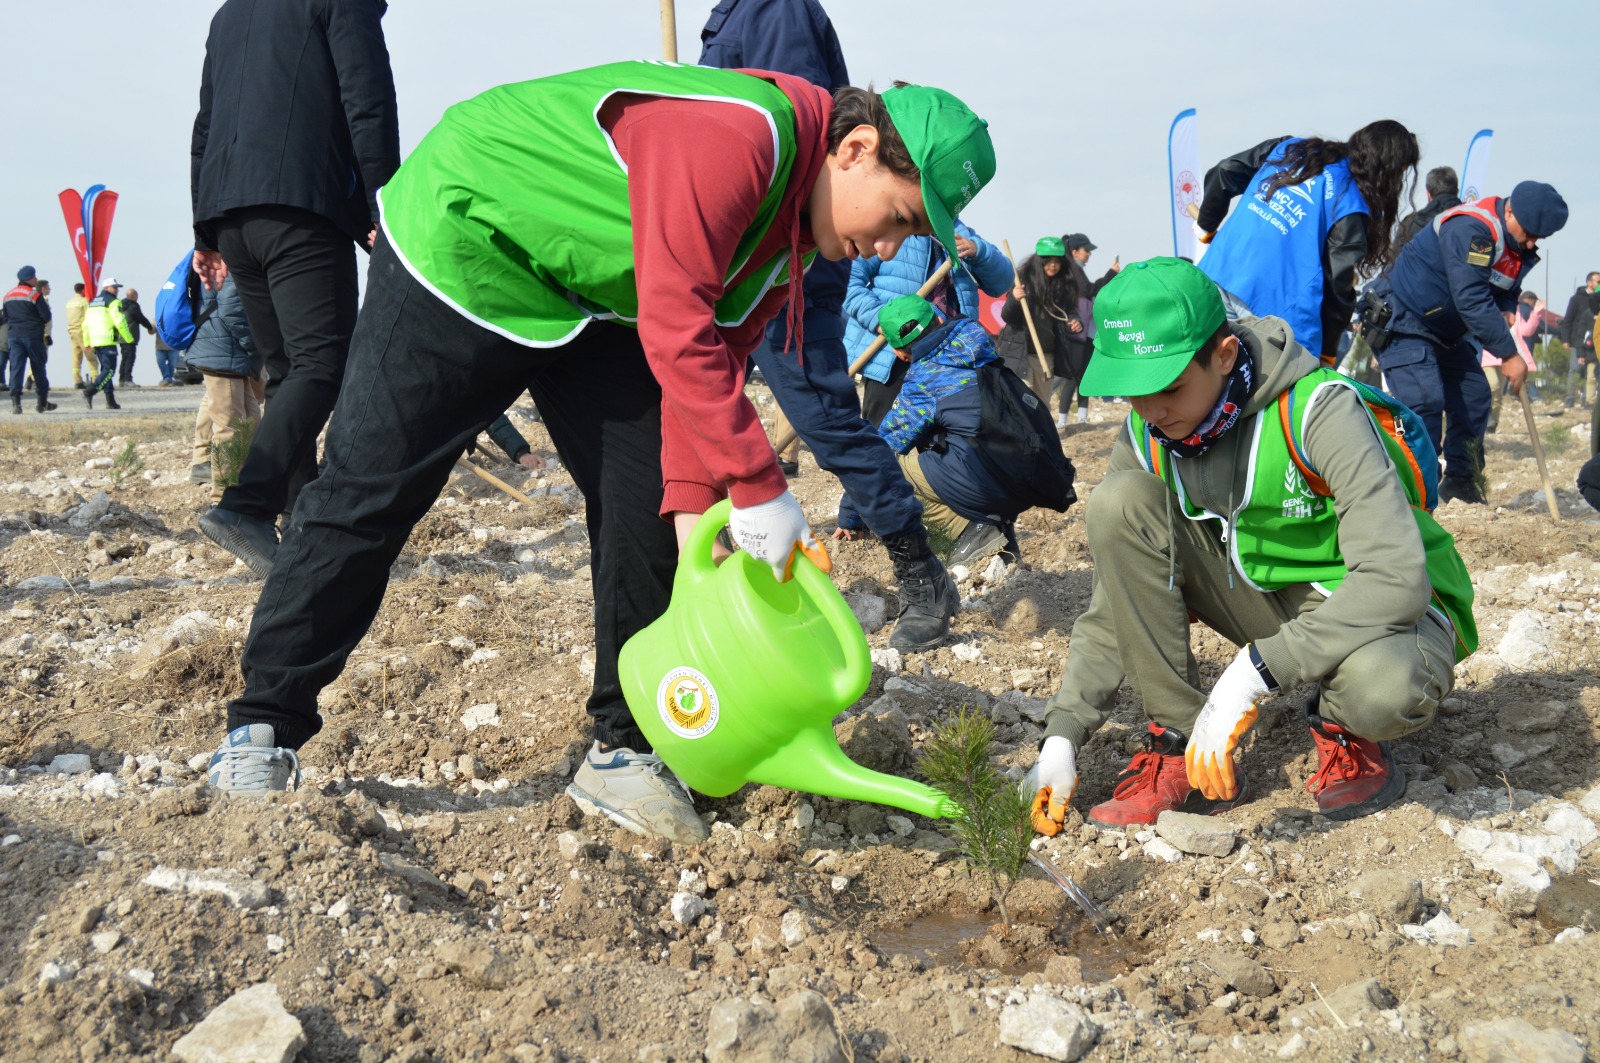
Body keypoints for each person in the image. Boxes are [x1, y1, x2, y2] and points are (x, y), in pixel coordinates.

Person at [198, 63, 997, 848]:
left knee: (646, 492)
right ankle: (262, 729)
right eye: (898, 218)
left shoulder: (786, 251)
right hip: (471, 234)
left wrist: (700, 539)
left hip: (592, 295)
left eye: (912, 236)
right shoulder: (741, 135)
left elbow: (707, 372)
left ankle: (626, 747)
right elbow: (678, 322)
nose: (885, 248)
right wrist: (758, 486)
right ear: (855, 149)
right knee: (370, 491)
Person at [1024, 257, 1474, 834]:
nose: (1152, 410)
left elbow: (1396, 579)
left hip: (1372, 608)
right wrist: (1063, 734)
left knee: (1383, 691)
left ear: (1225, 355)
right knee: (1117, 503)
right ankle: (1180, 738)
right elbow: (1117, 602)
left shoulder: (1316, 409)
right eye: (1133, 393)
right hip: (1256, 594)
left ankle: (1342, 727)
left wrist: (1255, 672)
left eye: (1169, 387)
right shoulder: (1151, 429)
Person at [700, 0, 964, 653]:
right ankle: (730, 555)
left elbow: (784, 137)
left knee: (825, 421)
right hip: (740, 252)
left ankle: (921, 571)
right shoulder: (746, 11)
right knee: (704, 402)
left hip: (792, 251)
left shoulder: (774, 10)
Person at [190, 0, 401, 571]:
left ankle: (296, 520)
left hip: (232, 214)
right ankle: (247, 505)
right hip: (299, 207)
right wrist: (387, 208)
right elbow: (368, 104)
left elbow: (206, 124)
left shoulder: (229, 14)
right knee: (323, 364)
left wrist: (205, 230)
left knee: (288, 371)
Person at [1365, 180, 1568, 503]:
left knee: (1474, 396)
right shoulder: (1471, 228)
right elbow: (1471, 297)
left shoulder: (1514, 244)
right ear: (1510, 210)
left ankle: (1462, 483)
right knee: (1424, 399)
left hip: (1446, 330)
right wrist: (1508, 354)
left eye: (1538, 239)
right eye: (1528, 233)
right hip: (1404, 320)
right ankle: (1414, 491)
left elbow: (1505, 286)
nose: (1531, 244)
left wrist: (1506, 308)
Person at [1196, 121, 1419, 365]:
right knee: (1273, 399)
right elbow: (1338, 284)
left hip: (1214, 277)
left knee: (1214, 378)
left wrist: (1206, 225)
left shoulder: (1289, 149)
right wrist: (1328, 352)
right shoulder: (1349, 204)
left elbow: (1224, 172)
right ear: (1387, 171)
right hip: (1272, 311)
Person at [876, 294, 1075, 565]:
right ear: (939, 318)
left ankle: (970, 532)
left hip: (990, 484)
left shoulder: (923, 381)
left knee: (889, 471)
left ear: (898, 352)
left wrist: (851, 514)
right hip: (1026, 478)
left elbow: (881, 449)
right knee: (955, 442)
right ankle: (1000, 536)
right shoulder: (981, 347)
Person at [187, 276, 265, 496]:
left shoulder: (225, 259)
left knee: (249, 418)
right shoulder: (229, 262)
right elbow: (233, 310)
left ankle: (240, 482)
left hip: (229, 352)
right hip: (225, 352)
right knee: (230, 426)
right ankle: (223, 496)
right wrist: (255, 346)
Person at [998, 237, 1079, 414]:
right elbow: (1007, 316)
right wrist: (1015, 299)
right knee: (1021, 402)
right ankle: (1021, 440)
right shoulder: (1022, 281)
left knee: (1042, 405)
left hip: (1045, 357)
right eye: (1048, 261)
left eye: (1057, 261)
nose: (1053, 265)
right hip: (1020, 355)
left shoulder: (1062, 286)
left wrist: (1074, 321)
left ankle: (1044, 439)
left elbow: (1069, 311)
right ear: (1038, 261)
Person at [1482, 291, 1542, 433]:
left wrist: (1536, 314)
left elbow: (1525, 331)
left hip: (1505, 356)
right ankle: (1484, 419)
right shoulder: (1483, 307)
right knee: (1493, 386)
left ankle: (1491, 426)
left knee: (1498, 396)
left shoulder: (1514, 311)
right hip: (1486, 355)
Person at [5, 267, 55, 414]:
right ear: (28, 279)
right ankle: (41, 402)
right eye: (34, 277)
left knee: (16, 369)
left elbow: (6, 317)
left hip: (14, 336)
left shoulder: (8, 295)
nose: (36, 279)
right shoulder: (34, 295)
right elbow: (46, 316)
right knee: (38, 368)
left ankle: (16, 404)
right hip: (32, 336)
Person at [82, 278, 131, 409]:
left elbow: (85, 324)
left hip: (95, 340)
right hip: (107, 339)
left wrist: (87, 341)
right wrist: (128, 338)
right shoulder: (114, 302)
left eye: (117, 287)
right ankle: (90, 391)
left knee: (105, 370)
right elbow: (119, 321)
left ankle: (110, 401)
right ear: (106, 288)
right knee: (109, 371)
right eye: (114, 287)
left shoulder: (92, 302)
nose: (117, 290)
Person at [1393, 166, 1461, 253]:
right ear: (1457, 192)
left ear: (1428, 194)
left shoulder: (1410, 223)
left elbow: (1395, 259)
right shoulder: (1472, 221)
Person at [1558, 271, 1598, 408]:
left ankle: (1587, 400)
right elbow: (1567, 320)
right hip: (1577, 340)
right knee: (1576, 369)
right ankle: (1570, 398)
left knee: (1591, 372)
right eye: (1598, 282)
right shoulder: (1576, 299)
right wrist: (1565, 339)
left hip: (1595, 343)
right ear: (1589, 282)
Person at [117, 287, 156, 386]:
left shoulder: (120, 306)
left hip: (121, 337)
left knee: (124, 358)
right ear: (134, 296)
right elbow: (140, 318)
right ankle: (128, 380)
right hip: (130, 336)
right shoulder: (132, 306)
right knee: (130, 358)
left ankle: (122, 379)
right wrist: (149, 327)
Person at [65, 282, 97, 389]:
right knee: (90, 355)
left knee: (76, 356)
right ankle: (95, 378)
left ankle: (77, 380)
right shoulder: (84, 302)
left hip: (71, 330)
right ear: (83, 290)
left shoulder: (69, 302)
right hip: (82, 330)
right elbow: (90, 315)